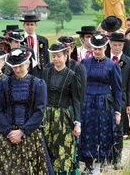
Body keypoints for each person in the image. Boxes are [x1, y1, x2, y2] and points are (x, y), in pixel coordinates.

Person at [0, 47, 49, 175]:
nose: (17, 70)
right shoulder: (3, 83)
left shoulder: (38, 84)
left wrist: (22, 132)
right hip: (8, 134)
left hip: (30, 135)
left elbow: (39, 111)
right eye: (14, 66)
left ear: (28, 63)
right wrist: (9, 132)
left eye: (20, 66)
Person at [80, 34, 122, 174]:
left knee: (101, 132)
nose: (97, 51)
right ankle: (87, 163)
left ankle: (99, 163)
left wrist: (117, 111)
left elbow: (117, 89)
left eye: (100, 48)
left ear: (105, 47)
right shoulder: (85, 63)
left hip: (104, 104)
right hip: (87, 103)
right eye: (95, 48)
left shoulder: (112, 65)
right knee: (87, 132)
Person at [42, 44, 81, 174]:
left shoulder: (72, 75)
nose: (56, 59)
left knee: (63, 150)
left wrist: (77, 123)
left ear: (66, 56)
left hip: (63, 117)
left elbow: (76, 100)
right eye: (54, 56)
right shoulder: (46, 73)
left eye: (59, 56)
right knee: (46, 148)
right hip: (46, 116)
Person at [109, 32, 130, 169]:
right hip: (106, 98)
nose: (117, 48)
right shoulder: (105, 59)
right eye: (114, 45)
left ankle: (117, 158)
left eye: (119, 45)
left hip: (122, 99)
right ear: (110, 44)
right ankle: (107, 156)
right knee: (106, 128)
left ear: (123, 45)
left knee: (118, 129)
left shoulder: (129, 62)